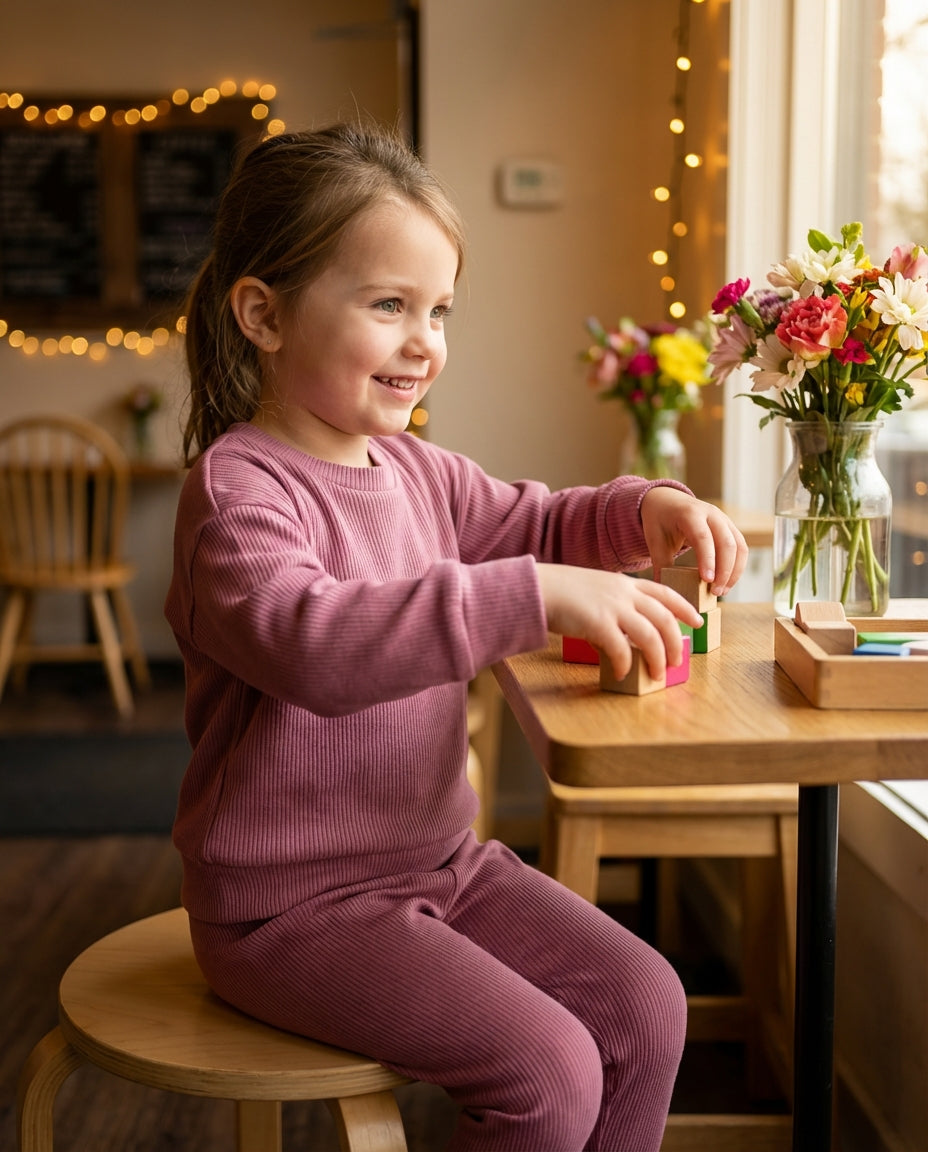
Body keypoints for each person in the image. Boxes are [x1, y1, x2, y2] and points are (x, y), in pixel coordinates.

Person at [165, 121, 748, 1152]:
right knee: (547, 1070)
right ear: (262, 314)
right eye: (388, 305)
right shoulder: (237, 493)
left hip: (441, 863)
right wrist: (533, 594)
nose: (424, 341)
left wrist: (646, 508)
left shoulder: (417, 472)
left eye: (438, 310)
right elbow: (311, 642)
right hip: (287, 910)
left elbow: (541, 523)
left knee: (649, 1007)